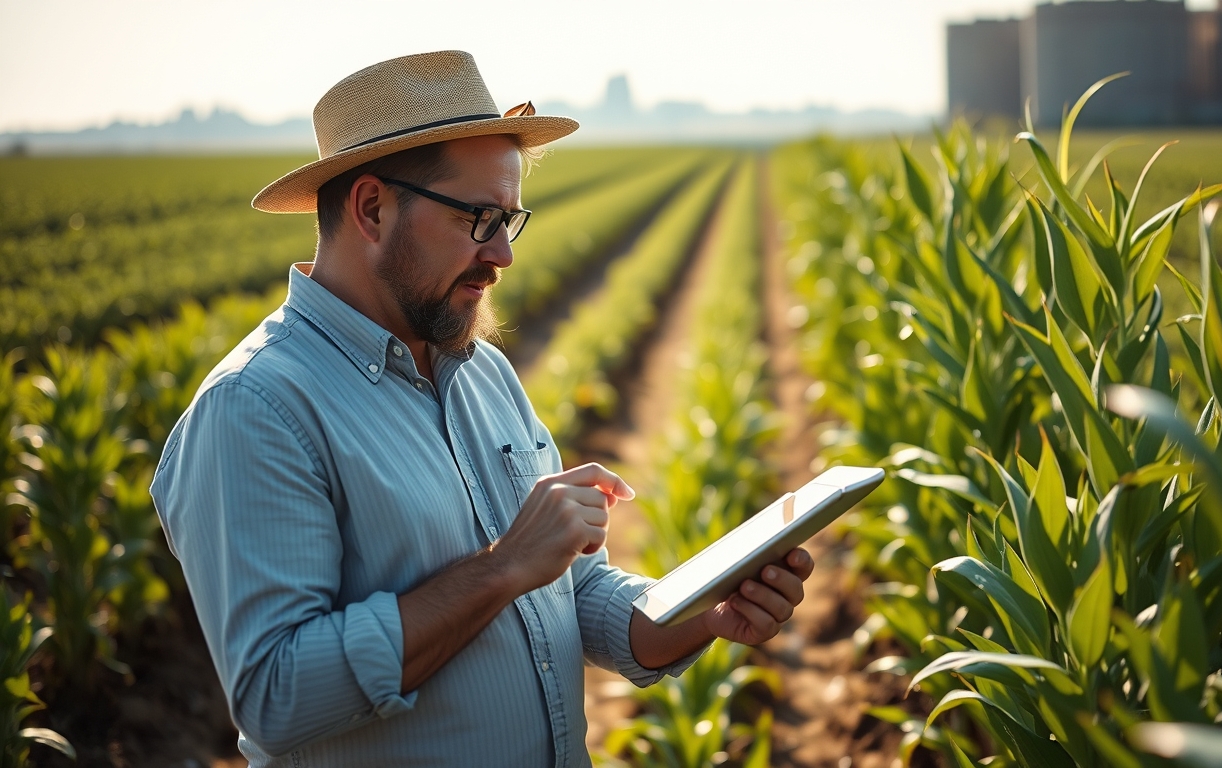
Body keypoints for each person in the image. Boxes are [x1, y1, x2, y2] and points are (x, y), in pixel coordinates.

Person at [150, 50, 813, 767]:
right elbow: (275, 695)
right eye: (479, 218)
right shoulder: (257, 409)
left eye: (510, 220)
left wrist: (700, 613)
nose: (502, 254)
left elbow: (566, 593)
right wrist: (501, 567)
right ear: (372, 208)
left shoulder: (481, 371)